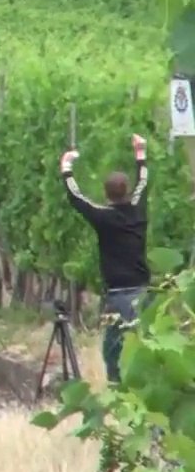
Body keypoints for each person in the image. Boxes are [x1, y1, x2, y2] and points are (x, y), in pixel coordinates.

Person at [60, 134, 149, 384]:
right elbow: (144, 182)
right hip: (144, 291)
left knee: (114, 350)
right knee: (144, 346)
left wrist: (66, 167)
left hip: (118, 295)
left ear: (106, 194)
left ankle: (118, 394)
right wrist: (140, 154)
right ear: (128, 191)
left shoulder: (104, 218)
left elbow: (77, 198)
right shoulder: (138, 211)